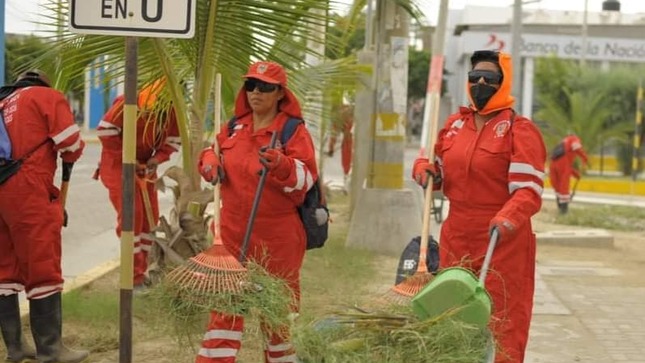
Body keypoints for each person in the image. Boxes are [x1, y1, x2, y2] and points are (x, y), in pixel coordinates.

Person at [412, 50, 546, 363]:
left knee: (502, 321)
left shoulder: (518, 129)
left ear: (504, 82)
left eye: (491, 78)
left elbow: (529, 192)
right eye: (475, 77)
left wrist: (508, 218)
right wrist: (423, 168)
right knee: (452, 315)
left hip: (502, 239)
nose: (481, 82)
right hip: (457, 234)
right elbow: (437, 168)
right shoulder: (455, 124)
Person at [196, 61, 317, 363]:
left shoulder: (292, 131)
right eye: (251, 85)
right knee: (223, 313)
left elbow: (306, 180)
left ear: (280, 94)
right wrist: (209, 161)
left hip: (277, 240)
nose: (256, 93)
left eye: (265, 87)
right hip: (232, 234)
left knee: (278, 318)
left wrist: (282, 165)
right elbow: (214, 149)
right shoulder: (235, 126)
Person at [0, 70, 88, 362]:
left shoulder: (4, 100)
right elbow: (71, 144)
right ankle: (51, 350)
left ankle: (15, 347)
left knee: (4, 268)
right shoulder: (47, 97)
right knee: (42, 264)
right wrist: (72, 153)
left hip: (1, 186)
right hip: (27, 187)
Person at [95, 78, 180, 289]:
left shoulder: (170, 109)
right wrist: (128, 159)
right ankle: (132, 279)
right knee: (131, 222)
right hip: (118, 167)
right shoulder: (129, 102)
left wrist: (157, 159)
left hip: (144, 167)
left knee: (147, 225)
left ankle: (141, 273)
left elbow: (172, 140)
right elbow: (105, 130)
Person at [548, 134, 589, 214]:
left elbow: (567, 167)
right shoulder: (574, 139)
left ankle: (560, 208)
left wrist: (576, 174)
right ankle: (563, 211)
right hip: (562, 165)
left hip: (553, 165)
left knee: (558, 188)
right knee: (564, 188)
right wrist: (585, 158)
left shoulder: (564, 141)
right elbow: (577, 148)